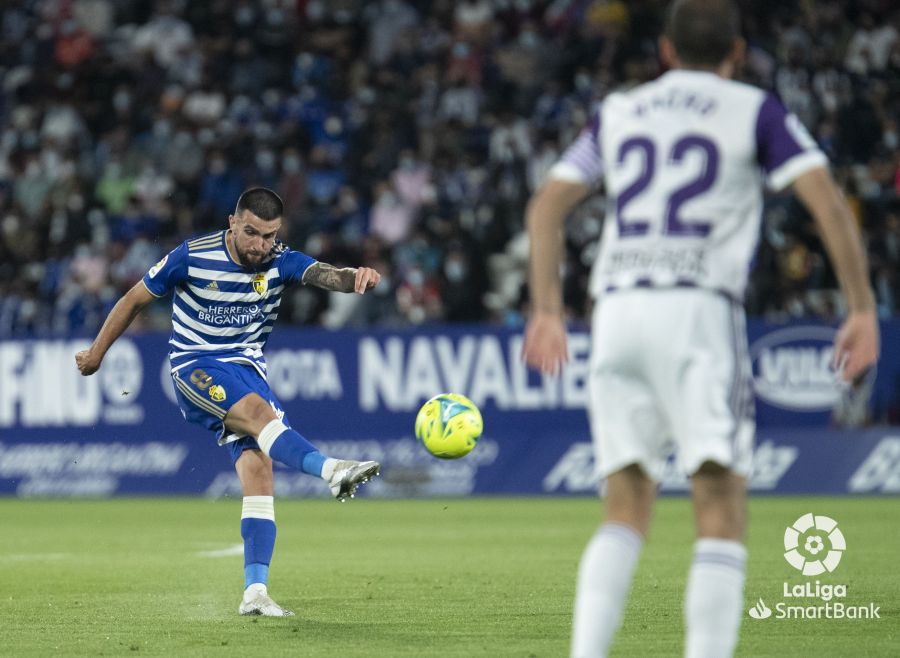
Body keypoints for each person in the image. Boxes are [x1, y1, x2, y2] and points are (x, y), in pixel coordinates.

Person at [521, 1, 880, 657]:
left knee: (624, 507)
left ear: (665, 51)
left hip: (618, 310)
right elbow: (825, 198)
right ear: (737, 52)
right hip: (697, 311)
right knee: (719, 506)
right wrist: (860, 305)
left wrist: (546, 308)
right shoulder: (754, 109)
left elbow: (547, 206)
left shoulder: (620, 110)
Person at [76, 187, 382, 617]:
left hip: (247, 369)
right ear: (232, 223)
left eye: (269, 236)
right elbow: (133, 299)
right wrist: (96, 354)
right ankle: (332, 470)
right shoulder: (191, 256)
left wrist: (357, 277)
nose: (261, 245)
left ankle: (254, 593)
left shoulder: (280, 259)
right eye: (252, 233)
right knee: (261, 416)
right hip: (194, 366)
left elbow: (324, 274)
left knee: (259, 471)